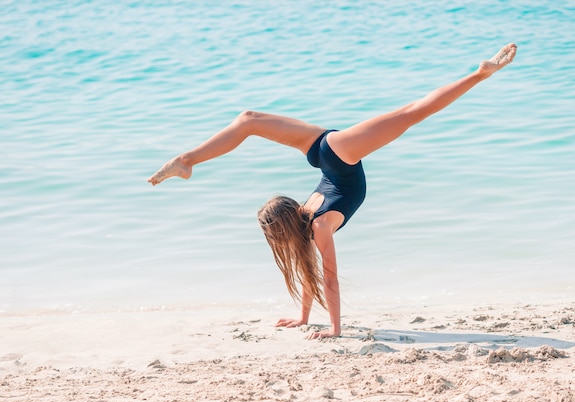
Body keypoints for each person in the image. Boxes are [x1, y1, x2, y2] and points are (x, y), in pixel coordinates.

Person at [147, 43, 517, 339]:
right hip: (325, 155)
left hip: (339, 154)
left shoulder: (318, 227)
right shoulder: (309, 223)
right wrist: (304, 318)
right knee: (248, 120)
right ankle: (187, 160)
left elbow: (329, 278)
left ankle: (481, 74)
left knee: (412, 112)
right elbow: (312, 272)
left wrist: (336, 329)